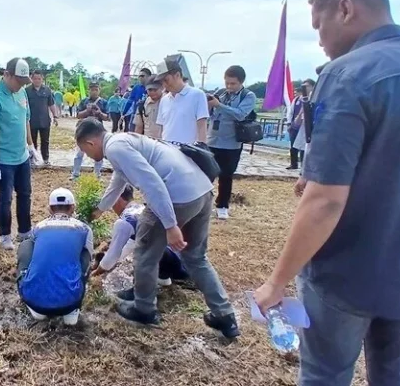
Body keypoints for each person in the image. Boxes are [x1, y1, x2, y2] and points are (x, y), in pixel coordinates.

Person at [254, 0, 400, 386]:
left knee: (325, 374)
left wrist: (277, 281)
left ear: (345, 9)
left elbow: (325, 201)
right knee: (395, 373)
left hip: (349, 270)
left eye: (318, 25)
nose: (319, 41)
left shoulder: (348, 74)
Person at [76, 118, 238, 337]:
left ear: (90, 142)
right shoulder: (122, 141)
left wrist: (170, 225)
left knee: (145, 251)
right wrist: (100, 209)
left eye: (84, 150)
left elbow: (152, 183)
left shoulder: (115, 148)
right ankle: (224, 315)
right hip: (202, 192)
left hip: (177, 197)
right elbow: (119, 181)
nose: (87, 155)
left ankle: (144, 308)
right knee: (196, 257)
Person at [0, 58, 40, 250]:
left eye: (24, 82)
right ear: (6, 75)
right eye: (18, 81)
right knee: (5, 198)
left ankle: (24, 231)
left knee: (25, 194)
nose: (20, 86)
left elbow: (26, 120)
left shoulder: (22, 92)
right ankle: (5, 235)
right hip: (4, 160)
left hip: (22, 157)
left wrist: (31, 146)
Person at [16, 188, 93, 326]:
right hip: (70, 302)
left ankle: (34, 298)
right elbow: (88, 261)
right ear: (73, 208)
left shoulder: (39, 227)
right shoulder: (84, 229)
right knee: (85, 254)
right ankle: (72, 309)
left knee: (26, 245)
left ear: (50, 209)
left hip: (34, 301)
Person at [91, 185, 189, 287]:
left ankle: (160, 278)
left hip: (173, 263)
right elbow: (127, 247)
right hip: (183, 258)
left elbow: (112, 258)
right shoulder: (144, 209)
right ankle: (162, 277)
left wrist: (95, 274)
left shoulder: (125, 221)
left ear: (117, 198)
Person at [206, 65, 257, 220]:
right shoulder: (220, 93)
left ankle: (222, 205)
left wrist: (218, 105)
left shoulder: (248, 96)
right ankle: (204, 205)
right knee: (207, 175)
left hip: (231, 142)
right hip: (212, 139)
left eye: (233, 84)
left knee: (226, 175)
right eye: (227, 83)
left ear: (241, 82)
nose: (229, 86)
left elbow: (240, 115)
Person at [153, 60, 209, 145]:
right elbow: (161, 128)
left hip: (188, 152)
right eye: (161, 82)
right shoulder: (164, 100)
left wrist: (201, 150)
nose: (164, 85)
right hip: (167, 151)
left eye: (166, 80)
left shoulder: (197, 95)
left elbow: (202, 126)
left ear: (177, 75)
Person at [70, 82, 106, 180]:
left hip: (97, 132)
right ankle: (75, 174)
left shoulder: (103, 102)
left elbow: (108, 117)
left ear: (99, 90)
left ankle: (97, 175)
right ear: (89, 90)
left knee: (99, 152)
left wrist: (99, 113)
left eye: (96, 89)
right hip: (84, 131)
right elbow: (77, 115)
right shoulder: (84, 101)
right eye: (92, 89)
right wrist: (87, 111)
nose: (94, 91)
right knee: (79, 153)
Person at [25, 70, 59, 165]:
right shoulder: (26, 91)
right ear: (31, 79)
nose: (37, 80)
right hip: (31, 121)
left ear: (42, 79)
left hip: (44, 121)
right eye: (35, 78)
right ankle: (33, 159)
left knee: (45, 141)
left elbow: (51, 104)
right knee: (32, 141)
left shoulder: (47, 90)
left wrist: (55, 116)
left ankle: (45, 159)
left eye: (39, 79)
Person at [286, 86, 306, 170]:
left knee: (303, 147)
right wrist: (289, 123)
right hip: (295, 126)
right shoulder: (296, 100)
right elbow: (290, 112)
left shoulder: (305, 100)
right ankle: (293, 164)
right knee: (293, 146)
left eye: (296, 92)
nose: (295, 94)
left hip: (303, 126)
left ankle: (303, 166)